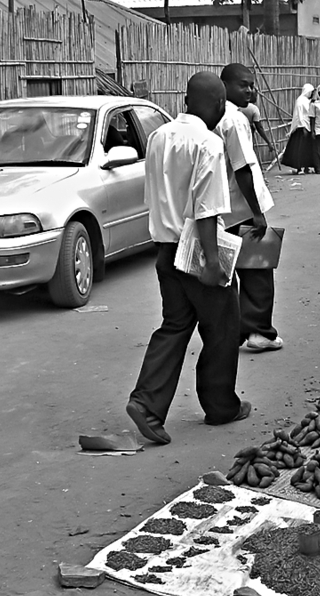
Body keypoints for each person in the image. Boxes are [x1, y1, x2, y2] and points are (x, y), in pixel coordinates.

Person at [126, 72, 250, 445]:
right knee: (223, 326)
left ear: (185, 101)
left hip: (165, 250)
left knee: (175, 325)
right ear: (216, 106)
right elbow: (207, 210)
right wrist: (213, 263)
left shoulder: (158, 137)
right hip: (196, 251)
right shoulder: (209, 144)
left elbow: (155, 193)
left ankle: (146, 403)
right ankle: (221, 406)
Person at [217, 63, 282, 353]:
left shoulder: (214, 116)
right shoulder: (234, 119)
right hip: (241, 207)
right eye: (244, 85)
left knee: (227, 274)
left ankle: (230, 332)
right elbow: (242, 167)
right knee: (257, 271)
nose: (251, 90)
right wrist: (257, 212)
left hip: (219, 208)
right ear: (227, 85)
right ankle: (258, 331)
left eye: (252, 85)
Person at [281, 83, 315, 174]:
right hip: (301, 127)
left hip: (307, 126)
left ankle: (306, 167)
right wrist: (300, 125)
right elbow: (298, 115)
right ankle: (299, 168)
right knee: (300, 149)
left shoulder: (308, 101)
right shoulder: (300, 101)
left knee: (307, 149)